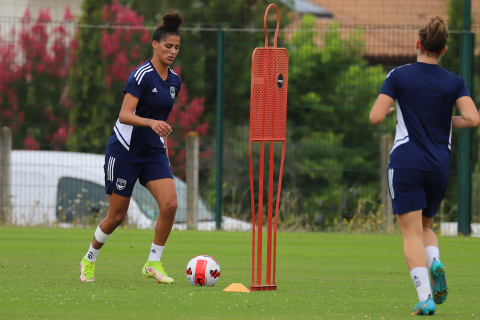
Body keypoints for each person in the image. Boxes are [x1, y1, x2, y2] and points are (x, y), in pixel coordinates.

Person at [369, 16, 479, 316]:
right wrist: (444, 121)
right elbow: (472, 118)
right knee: (425, 228)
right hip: (438, 166)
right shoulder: (454, 81)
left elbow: (375, 117)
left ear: (418, 43)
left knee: (410, 235)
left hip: (406, 163)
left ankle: (425, 297)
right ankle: (435, 262)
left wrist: (392, 108)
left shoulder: (398, 76)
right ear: (443, 50)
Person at [80, 12, 184, 284]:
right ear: (154, 44)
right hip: (124, 152)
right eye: (167, 46)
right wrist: (151, 122)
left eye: (176, 47)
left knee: (170, 204)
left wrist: (158, 130)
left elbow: (159, 115)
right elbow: (125, 114)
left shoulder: (175, 81)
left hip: (153, 152)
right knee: (116, 216)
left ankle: (153, 262)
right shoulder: (141, 76)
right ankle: (89, 258)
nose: (172, 52)